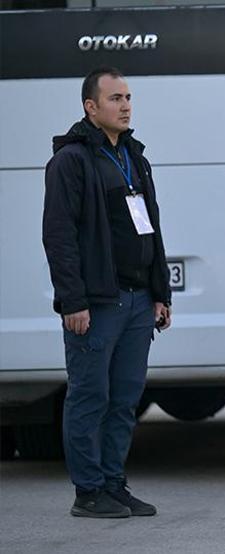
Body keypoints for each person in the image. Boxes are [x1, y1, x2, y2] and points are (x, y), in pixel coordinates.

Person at [43, 66, 172, 518]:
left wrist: (160, 293)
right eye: (115, 98)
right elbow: (58, 236)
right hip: (98, 303)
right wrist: (73, 301)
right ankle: (88, 491)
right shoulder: (71, 160)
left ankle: (114, 484)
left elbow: (152, 228)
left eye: (128, 97)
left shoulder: (135, 156)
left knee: (124, 400)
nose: (125, 105)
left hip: (138, 301)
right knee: (89, 397)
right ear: (90, 107)